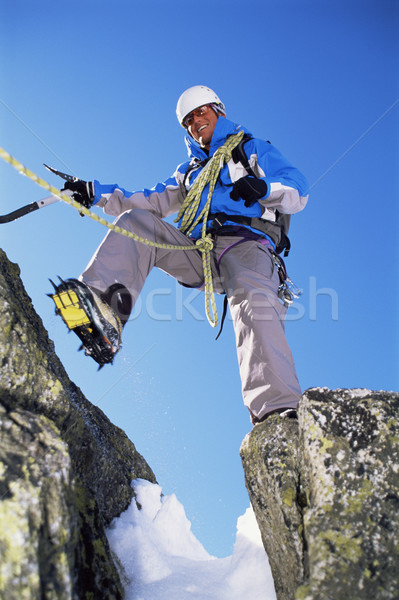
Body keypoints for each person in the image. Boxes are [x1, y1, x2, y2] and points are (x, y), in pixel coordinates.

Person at [51, 85, 309, 424]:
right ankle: (102, 312)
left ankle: (276, 409)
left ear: (219, 110)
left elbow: (296, 187)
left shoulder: (251, 149)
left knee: (252, 296)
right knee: (137, 223)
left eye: (202, 112)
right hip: (200, 249)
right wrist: (95, 193)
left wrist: (264, 188)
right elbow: (149, 201)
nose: (196, 121)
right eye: (188, 119)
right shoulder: (188, 172)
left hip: (247, 243)